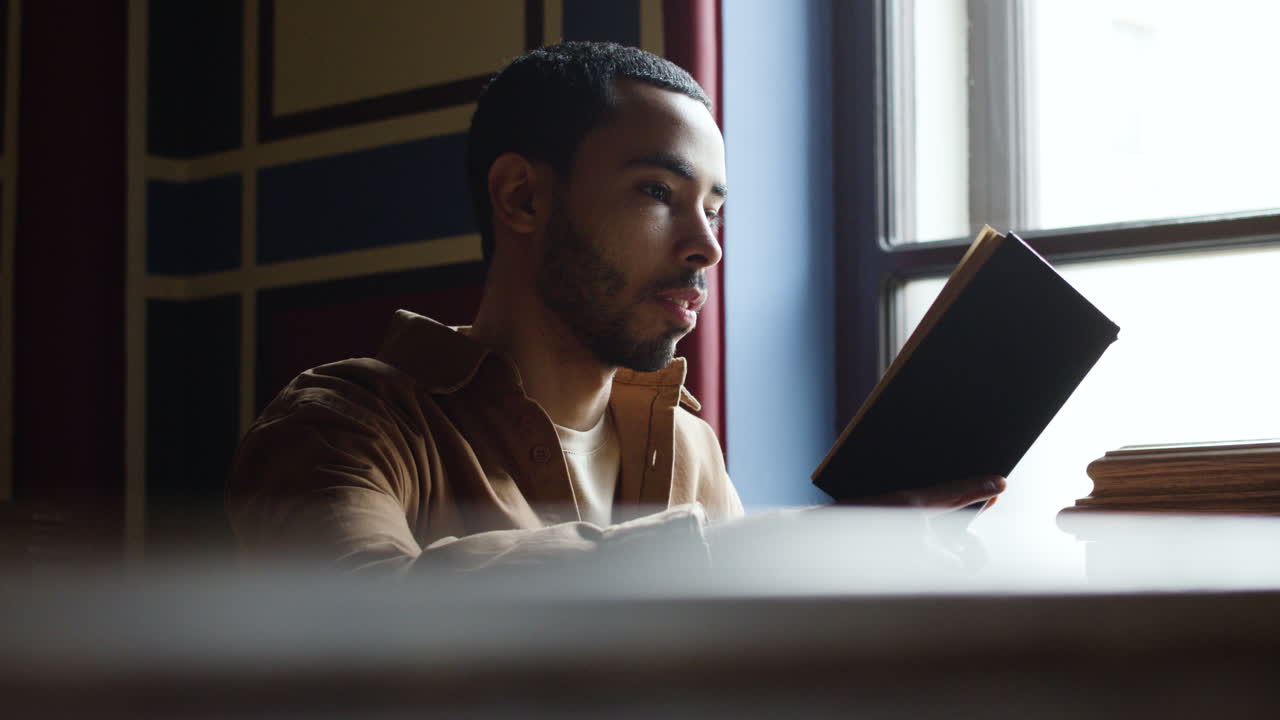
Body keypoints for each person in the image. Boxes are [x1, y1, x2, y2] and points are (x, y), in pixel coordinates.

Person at [226, 41, 1003, 575]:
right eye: (658, 192)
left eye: (715, 210)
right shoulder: (342, 427)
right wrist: (784, 549)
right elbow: (365, 628)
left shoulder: (689, 446)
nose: (707, 248)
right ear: (522, 197)